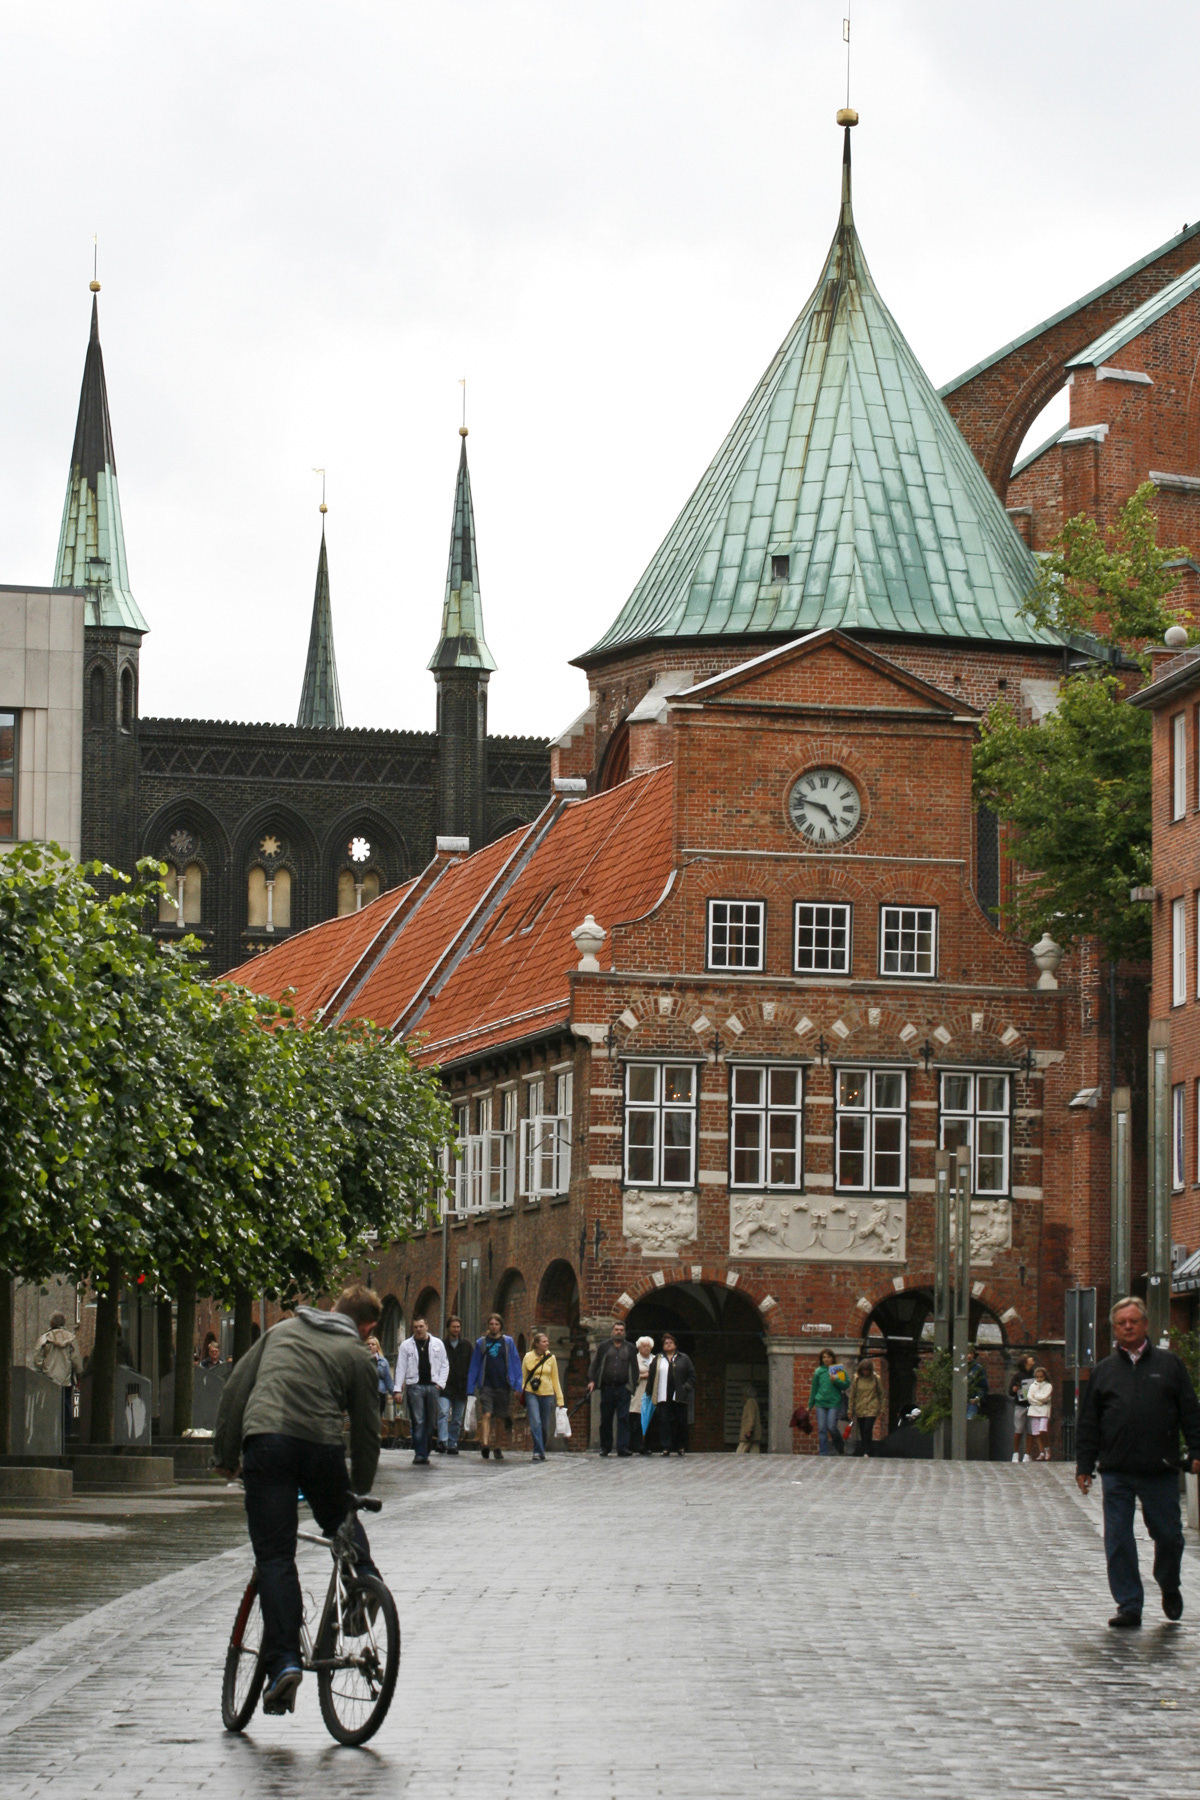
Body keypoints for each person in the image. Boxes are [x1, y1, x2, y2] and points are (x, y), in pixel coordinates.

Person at [212, 1284, 382, 1715]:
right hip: (320, 1449)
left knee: (275, 1557)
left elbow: (235, 1390)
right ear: (367, 1327)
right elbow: (366, 1429)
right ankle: (363, 1583)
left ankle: (285, 1663)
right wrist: (358, 1489)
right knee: (338, 1522)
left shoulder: (282, 1331)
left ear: (333, 1309)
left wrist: (226, 1456)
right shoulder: (358, 1354)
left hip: (266, 1442)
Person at [1076, 1295, 1200, 1629]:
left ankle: (1168, 1581)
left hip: (1159, 1468)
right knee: (1117, 1539)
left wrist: (1197, 1450)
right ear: (1114, 1329)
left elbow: (1191, 1412)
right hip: (1116, 1469)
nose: (1128, 1327)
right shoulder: (1103, 1371)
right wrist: (1084, 1465)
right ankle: (1129, 1604)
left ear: (1145, 1325)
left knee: (1170, 1536)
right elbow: (1089, 1421)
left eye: (1134, 1321)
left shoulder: (1169, 1365)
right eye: (1121, 1323)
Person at [467, 1312, 523, 1462]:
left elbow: (516, 1363)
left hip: (503, 1385)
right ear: (488, 1326)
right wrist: (470, 1388)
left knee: (500, 1418)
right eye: (491, 1324)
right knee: (486, 1414)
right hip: (486, 1384)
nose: (494, 1327)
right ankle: (485, 1444)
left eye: (496, 1324)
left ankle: (497, 1447)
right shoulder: (481, 1343)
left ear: (501, 1326)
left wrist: (518, 1385)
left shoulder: (508, 1343)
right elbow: (475, 1365)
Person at [396, 1317, 448, 1465]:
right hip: (415, 1386)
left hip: (433, 1386)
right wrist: (397, 1389)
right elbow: (400, 1368)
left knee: (431, 1422)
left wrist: (440, 1383)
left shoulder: (437, 1344)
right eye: (415, 1327)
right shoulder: (406, 1346)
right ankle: (420, 1453)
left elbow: (445, 1364)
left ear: (427, 1326)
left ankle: (425, 1450)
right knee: (418, 1420)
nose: (418, 1330)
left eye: (421, 1326)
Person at [587, 1320, 639, 1457]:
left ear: (624, 1332)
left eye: (621, 1330)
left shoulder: (630, 1348)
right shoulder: (604, 1347)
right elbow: (595, 1364)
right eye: (616, 1329)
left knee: (623, 1418)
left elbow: (635, 1367)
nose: (619, 1332)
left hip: (623, 1387)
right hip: (607, 1387)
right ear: (612, 1331)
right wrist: (592, 1380)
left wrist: (633, 1384)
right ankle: (605, 1446)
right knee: (606, 1418)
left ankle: (622, 1447)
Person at [33, 1310, 82, 1445]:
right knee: (66, 1405)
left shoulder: (45, 1339)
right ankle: (66, 1432)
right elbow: (76, 1360)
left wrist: (43, 1368)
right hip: (65, 1380)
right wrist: (78, 1374)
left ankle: (49, 1430)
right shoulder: (71, 1339)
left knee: (48, 1406)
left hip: (48, 1379)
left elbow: (37, 1360)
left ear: (51, 1323)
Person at [646, 1333, 696, 1456]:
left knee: (680, 1422)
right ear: (662, 1346)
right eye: (666, 1343)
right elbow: (651, 1377)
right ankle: (666, 1447)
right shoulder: (657, 1359)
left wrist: (686, 1387)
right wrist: (650, 1392)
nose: (668, 1344)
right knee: (664, 1421)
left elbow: (692, 1375)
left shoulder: (684, 1358)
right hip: (663, 1394)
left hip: (679, 1395)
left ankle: (680, 1446)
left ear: (675, 1345)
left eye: (671, 1342)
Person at [521, 1330, 564, 1461]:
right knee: (536, 1422)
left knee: (545, 1426)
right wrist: (521, 1391)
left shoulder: (551, 1358)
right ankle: (538, 1451)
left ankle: (540, 1447)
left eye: (547, 1341)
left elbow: (555, 1378)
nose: (547, 1344)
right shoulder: (528, 1357)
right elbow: (524, 1376)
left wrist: (560, 1398)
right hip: (531, 1392)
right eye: (544, 1342)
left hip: (547, 1393)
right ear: (537, 1344)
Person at [439, 1315, 472, 1455]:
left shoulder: (466, 1346)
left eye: (458, 1327)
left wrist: (470, 1385)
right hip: (445, 1386)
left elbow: (472, 1366)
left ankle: (452, 1443)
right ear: (448, 1328)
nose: (456, 1329)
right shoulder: (441, 1345)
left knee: (457, 1418)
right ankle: (442, 1441)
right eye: (454, 1327)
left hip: (461, 1386)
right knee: (443, 1412)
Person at [808, 1349, 849, 1456]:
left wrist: (836, 1380)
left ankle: (840, 1446)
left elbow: (846, 1385)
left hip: (834, 1403)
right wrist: (810, 1405)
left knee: (831, 1427)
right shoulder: (819, 1371)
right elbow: (814, 1389)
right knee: (821, 1428)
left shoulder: (837, 1369)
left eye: (828, 1357)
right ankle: (823, 1453)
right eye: (824, 1357)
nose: (826, 1359)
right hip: (820, 1402)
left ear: (833, 1358)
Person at [847, 1356, 885, 1456]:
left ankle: (867, 1449)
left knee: (868, 1428)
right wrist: (850, 1409)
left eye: (867, 1370)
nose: (865, 1372)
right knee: (863, 1429)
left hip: (872, 1406)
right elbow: (852, 1395)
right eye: (864, 1370)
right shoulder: (857, 1379)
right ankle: (866, 1448)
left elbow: (881, 1394)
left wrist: (882, 1408)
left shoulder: (876, 1379)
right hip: (860, 1407)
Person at [1009, 1353, 1036, 1462]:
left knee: (1030, 1430)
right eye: (1029, 1358)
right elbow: (1010, 1391)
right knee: (1018, 1429)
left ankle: (1027, 1454)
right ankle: (1016, 1453)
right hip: (1020, 1405)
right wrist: (1014, 1389)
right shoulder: (1017, 1376)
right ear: (1024, 1362)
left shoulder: (1034, 1374)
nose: (1032, 1358)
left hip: (1032, 1405)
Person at [630, 1335, 655, 1454]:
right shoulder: (634, 1360)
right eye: (644, 1346)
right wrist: (647, 1375)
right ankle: (638, 1445)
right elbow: (631, 1376)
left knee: (651, 1420)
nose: (646, 1348)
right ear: (639, 1347)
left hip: (652, 1393)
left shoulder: (655, 1359)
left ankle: (649, 1445)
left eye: (648, 1346)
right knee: (637, 1421)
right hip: (639, 1393)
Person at [1027, 1366, 1053, 1459]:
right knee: (1036, 1432)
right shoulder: (1032, 1386)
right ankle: (1041, 1452)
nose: (1039, 1379)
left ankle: (1046, 1448)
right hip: (1034, 1410)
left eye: (1041, 1377)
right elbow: (1030, 1398)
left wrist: (1036, 1398)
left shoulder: (1048, 1386)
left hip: (1044, 1410)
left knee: (1043, 1430)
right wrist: (1039, 1401)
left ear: (1044, 1377)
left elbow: (1045, 1397)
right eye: (1037, 1377)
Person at [367, 1334, 394, 1419]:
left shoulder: (383, 1362)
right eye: (368, 1344)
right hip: (366, 1393)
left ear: (377, 1347)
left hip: (380, 1393)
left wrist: (395, 1393)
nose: (370, 1346)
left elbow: (388, 1379)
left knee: (377, 1418)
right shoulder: (361, 1360)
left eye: (373, 1344)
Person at [967, 1348, 989, 1420]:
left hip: (972, 1401)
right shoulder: (957, 1367)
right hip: (959, 1401)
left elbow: (983, 1386)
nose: (969, 1356)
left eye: (971, 1353)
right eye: (967, 1353)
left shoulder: (978, 1368)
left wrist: (977, 1398)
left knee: (970, 1421)